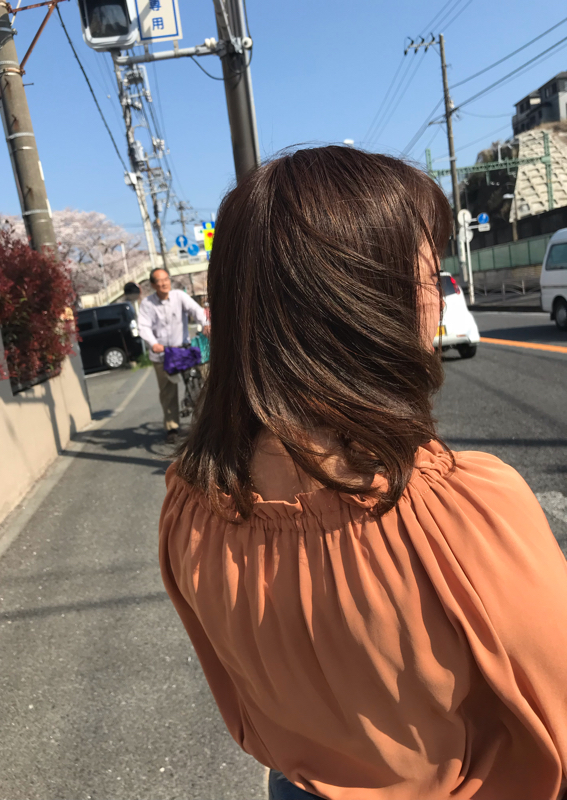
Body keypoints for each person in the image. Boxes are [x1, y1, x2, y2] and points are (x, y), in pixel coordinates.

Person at [158, 148, 567, 799]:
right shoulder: (460, 511)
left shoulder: (189, 508)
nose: (438, 300)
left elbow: (241, 701)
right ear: (364, 306)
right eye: (429, 276)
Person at [138, 268, 208, 440]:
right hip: (162, 354)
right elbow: (144, 326)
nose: (164, 283)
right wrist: (153, 343)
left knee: (196, 386)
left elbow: (196, 310)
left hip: (182, 351)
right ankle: (172, 427)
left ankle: (204, 424)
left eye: (166, 279)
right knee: (167, 392)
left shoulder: (179, 296)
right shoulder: (147, 304)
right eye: (159, 281)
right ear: (153, 285)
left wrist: (206, 323)